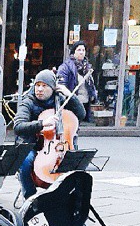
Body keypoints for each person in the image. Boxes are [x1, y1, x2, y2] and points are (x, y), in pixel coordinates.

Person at [14, 69, 86, 200]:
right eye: (37, 85)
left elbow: (81, 114)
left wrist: (70, 95)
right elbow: (18, 126)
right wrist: (41, 123)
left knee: (76, 163)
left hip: (58, 145)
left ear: (53, 88)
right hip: (32, 145)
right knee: (25, 161)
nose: (39, 89)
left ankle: (73, 201)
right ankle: (30, 198)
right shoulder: (28, 102)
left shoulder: (61, 99)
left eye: (44, 85)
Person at [57, 40, 97, 122]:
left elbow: (91, 85)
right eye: (79, 50)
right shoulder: (66, 67)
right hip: (72, 105)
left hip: (85, 103)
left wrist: (93, 95)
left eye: (83, 50)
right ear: (73, 52)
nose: (81, 52)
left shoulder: (87, 68)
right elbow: (61, 86)